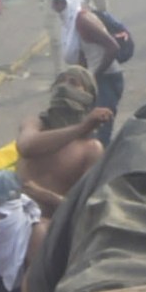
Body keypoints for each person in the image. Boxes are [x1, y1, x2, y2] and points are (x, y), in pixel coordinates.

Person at [16, 67, 109, 214]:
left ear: (88, 96)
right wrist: (82, 128)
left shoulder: (91, 149)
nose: (64, 86)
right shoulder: (35, 123)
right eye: (60, 82)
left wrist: (45, 196)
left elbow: (85, 207)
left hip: (50, 227)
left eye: (73, 82)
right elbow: (26, 147)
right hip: (13, 220)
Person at [49, 0, 125, 139]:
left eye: (60, 2)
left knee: (101, 129)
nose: (56, 7)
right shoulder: (71, 22)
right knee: (90, 125)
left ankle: (102, 161)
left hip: (106, 78)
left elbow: (113, 47)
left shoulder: (83, 21)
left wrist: (94, 75)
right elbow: (83, 54)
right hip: (95, 79)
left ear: (69, 1)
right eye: (54, 3)